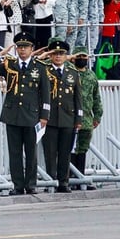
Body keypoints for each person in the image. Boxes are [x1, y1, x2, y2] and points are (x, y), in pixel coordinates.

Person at [0, 31, 50, 195]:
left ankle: (31, 184)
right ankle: (18, 185)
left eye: (25, 47)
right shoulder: (9, 64)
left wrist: (44, 115)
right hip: (12, 114)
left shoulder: (39, 67)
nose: (22, 50)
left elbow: (45, 93)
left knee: (31, 152)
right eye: (19, 47)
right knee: (14, 152)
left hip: (32, 115)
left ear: (32, 48)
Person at [40, 39, 83, 193]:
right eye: (55, 54)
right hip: (50, 118)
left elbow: (78, 98)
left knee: (65, 152)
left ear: (66, 56)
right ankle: (51, 181)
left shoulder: (73, 73)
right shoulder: (44, 70)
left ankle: (63, 181)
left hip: (67, 117)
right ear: (50, 56)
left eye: (61, 54)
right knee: (50, 153)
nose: (58, 57)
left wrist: (79, 118)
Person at [70, 46, 103, 190]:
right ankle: (70, 179)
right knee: (70, 149)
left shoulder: (91, 76)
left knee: (83, 148)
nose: (82, 59)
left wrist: (98, 115)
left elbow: (96, 97)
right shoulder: (69, 73)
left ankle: (80, 178)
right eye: (79, 56)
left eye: (84, 57)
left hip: (87, 118)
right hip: (70, 117)